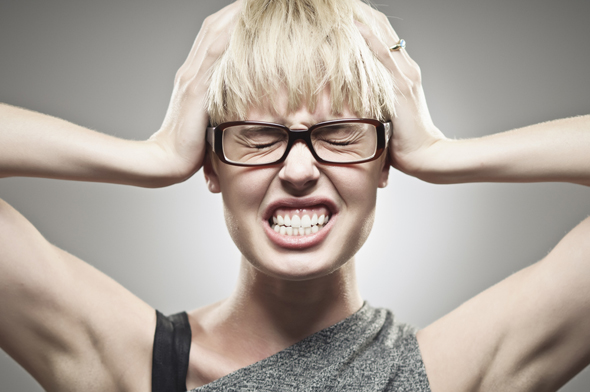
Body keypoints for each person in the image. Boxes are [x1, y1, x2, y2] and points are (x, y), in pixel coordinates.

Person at [1, 0, 589, 391]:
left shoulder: (444, 374)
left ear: (386, 161)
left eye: (340, 134)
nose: (301, 169)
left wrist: (441, 153)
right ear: (210, 166)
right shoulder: (130, 364)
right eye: (257, 136)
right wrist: (151, 156)